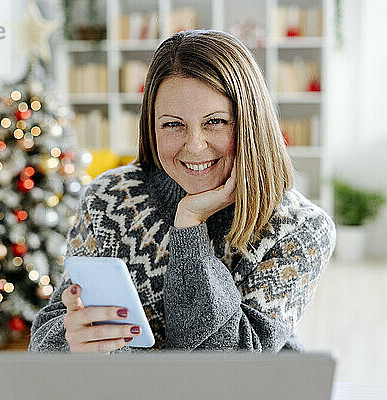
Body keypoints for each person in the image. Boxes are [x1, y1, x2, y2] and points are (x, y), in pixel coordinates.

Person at [28, 29, 336, 353]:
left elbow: (224, 366)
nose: (195, 145)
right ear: (152, 126)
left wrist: (190, 224)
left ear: (250, 123)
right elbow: (47, 337)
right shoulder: (108, 198)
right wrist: (71, 340)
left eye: (216, 121)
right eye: (173, 124)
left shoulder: (300, 229)